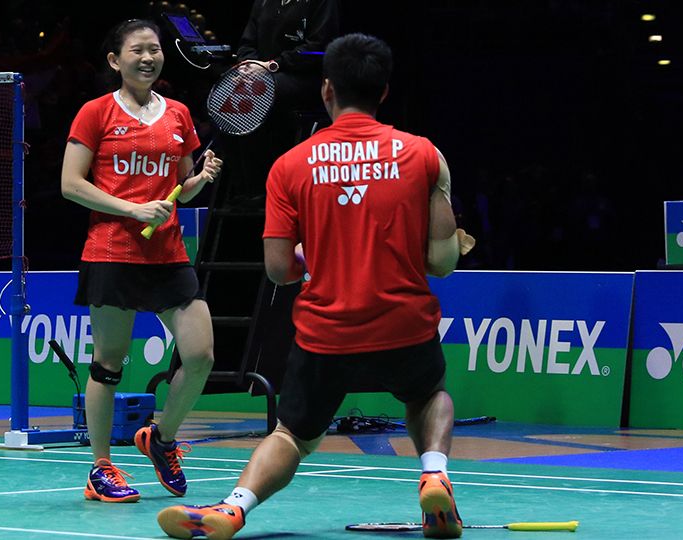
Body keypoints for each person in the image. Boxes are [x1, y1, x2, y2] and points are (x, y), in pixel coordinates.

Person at [157, 33, 475, 540]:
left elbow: (279, 269)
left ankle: (233, 508)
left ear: (326, 90)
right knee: (428, 393)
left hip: (327, 332)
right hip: (403, 324)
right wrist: (453, 241)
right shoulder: (424, 156)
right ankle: (434, 473)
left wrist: (318, 254)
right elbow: (441, 264)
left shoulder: (290, 166)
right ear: (384, 91)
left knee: (293, 434)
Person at [61, 18, 223, 503]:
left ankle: (161, 438)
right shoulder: (95, 113)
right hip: (112, 250)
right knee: (109, 364)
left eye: (154, 49)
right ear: (116, 60)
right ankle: (100, 467)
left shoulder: (178, 114)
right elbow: (71, 185)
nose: (148, 57)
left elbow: (180, 189)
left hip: (168, 252)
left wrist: (200, 180)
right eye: (137, 50)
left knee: (201, 355)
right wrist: (132, 208)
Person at [225, 0, 340, 204]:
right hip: (261, 78)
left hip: (304, 77)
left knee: (258, 95)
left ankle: (262, 187)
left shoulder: (322, 3)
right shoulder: (263, 2)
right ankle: (243, 185)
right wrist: (251, 66)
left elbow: (318, 47)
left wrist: (272, 65)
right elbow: (246, 44)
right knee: (223, 98)